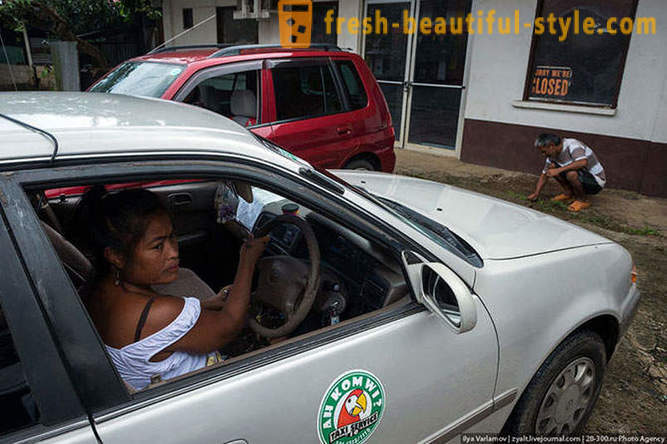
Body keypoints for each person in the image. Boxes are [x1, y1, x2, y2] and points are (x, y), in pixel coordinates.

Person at [78, 186, 268, 390]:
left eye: (172, 237)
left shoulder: (94, 290)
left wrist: (209, 304)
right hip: (206, 390)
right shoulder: (158, 312)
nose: (173, 253)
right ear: (116, 256)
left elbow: (155, 332)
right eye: (158, 246)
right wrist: (247, 259)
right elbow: (228, 326)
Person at [528, 134, 606, 212]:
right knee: (552, 167)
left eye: (544, 151)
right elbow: (545, 174)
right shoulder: (552, 155)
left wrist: (559, 170)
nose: (543, 155)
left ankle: (582, 200)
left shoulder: (573, 145)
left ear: (551, 146)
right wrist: (536, 193)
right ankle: (568, 194)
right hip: (582, 176)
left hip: (596, 181)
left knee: (571, 174)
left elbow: (582, 162)